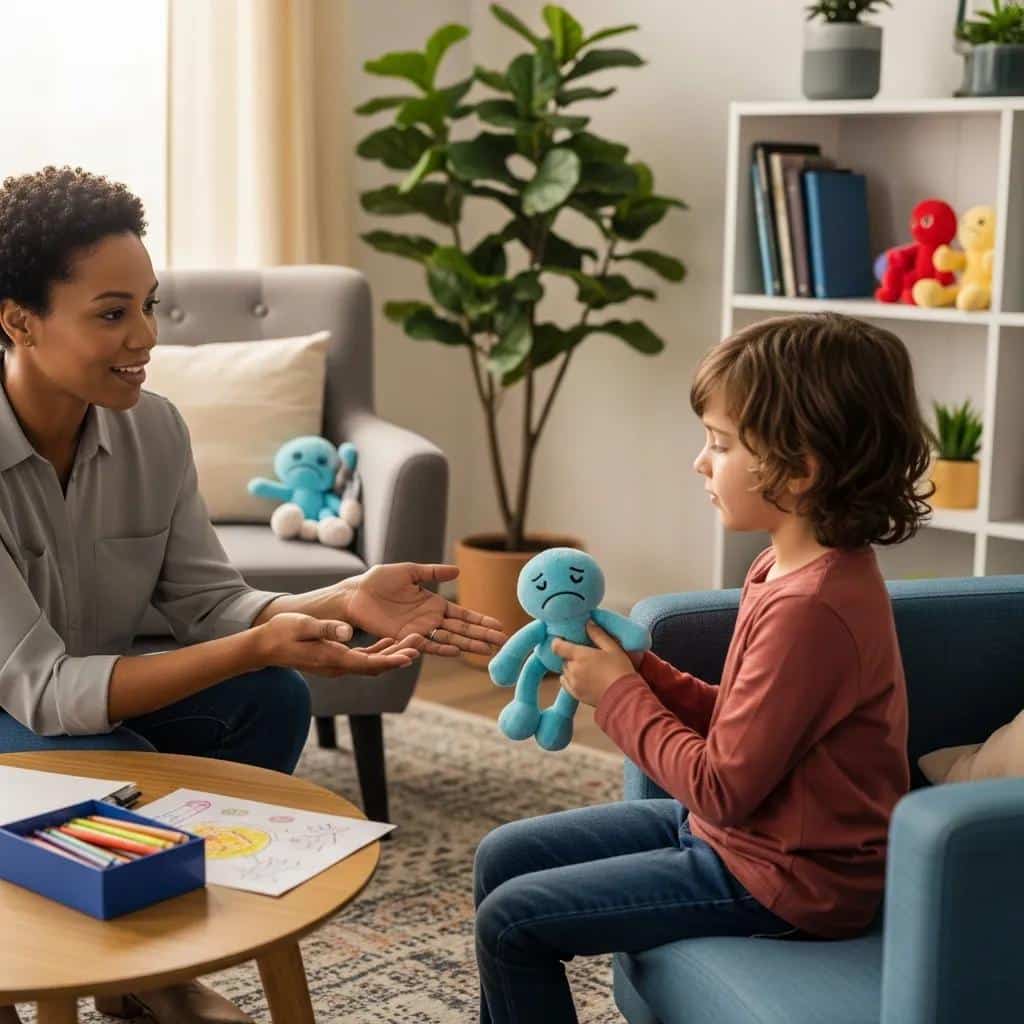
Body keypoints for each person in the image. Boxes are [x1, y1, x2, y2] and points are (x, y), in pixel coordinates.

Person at [0, 166, 506, 1024]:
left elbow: (207, 601)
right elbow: (46, 692)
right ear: (18, 321)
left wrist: (339, 598)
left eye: (149, 305)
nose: (146, 336)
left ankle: (141, 969)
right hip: (14, 711)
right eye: (113, 314)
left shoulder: (154, 427)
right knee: (117, 766)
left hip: (77, 705)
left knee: (270, 698)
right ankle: (96, 968)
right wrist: (255, 642)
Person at [474, 312, 932, 1023]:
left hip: (792, 881)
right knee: (502, 855)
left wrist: (618, 696)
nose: (700, 462)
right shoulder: (782, 567)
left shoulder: (813, 609)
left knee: (512, 924)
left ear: (800, 468)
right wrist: (642, 670)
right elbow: (741, 726)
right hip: (741, 841)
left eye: (720, 444)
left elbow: (721, 788)